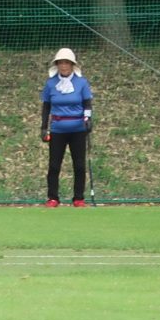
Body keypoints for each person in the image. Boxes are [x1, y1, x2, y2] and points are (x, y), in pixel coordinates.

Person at [40, 46, 94, 207]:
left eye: (67, 63)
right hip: (58, 129)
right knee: (54, 165)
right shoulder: (51, 83)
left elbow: (87, 103)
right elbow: (46, 107)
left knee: (79, 165)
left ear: (72, 65)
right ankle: (53, 197)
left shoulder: (81, 83)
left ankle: (78, 198)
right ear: (57, 65)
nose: (64, 66)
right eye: (61, 63)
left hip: (78, 129)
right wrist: (44, 127)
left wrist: (88, 119)